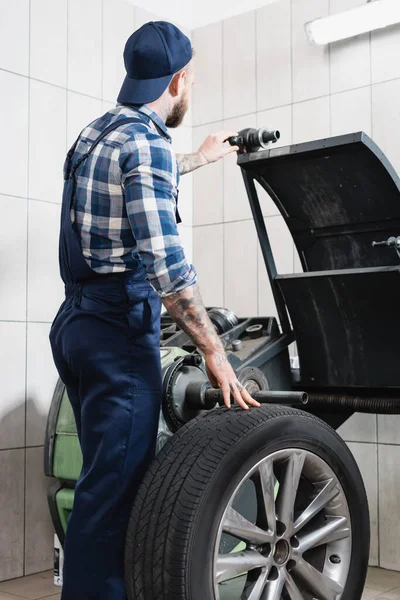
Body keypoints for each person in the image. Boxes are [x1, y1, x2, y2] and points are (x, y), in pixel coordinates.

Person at [49, 20, 260, 600]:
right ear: (179, 79)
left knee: (101, 483)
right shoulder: (147, 145)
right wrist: (214, 353)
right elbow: (168, 270)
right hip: (119, 333)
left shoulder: (96, 134)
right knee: (112, 499)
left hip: (75, 325)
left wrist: (200, 158)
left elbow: (126, 185)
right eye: (188, 82)